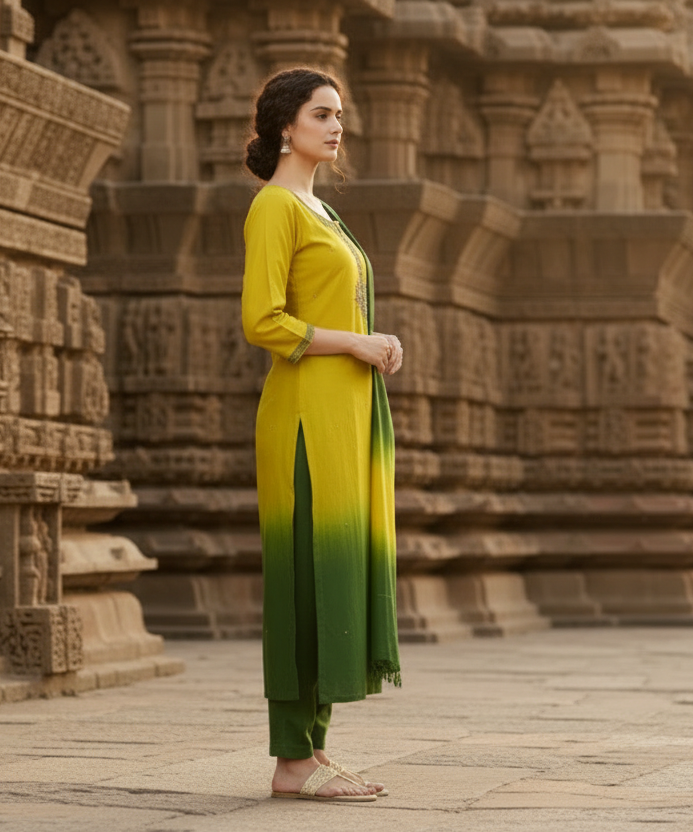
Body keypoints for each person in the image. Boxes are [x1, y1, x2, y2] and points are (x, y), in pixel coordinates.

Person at [241, 67, 403, 803]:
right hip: (305, 420)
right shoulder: (276, 207)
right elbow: (263, 321)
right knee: (305, 578)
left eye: (340, 113)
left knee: (333, 575)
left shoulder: (324, 211)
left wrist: (378, 341)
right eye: (321, 113)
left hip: (348, 417)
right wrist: (354, 343)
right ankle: (290, 758)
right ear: (285, 126)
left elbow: (337, 307)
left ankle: (311, 752)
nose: (337, 125)